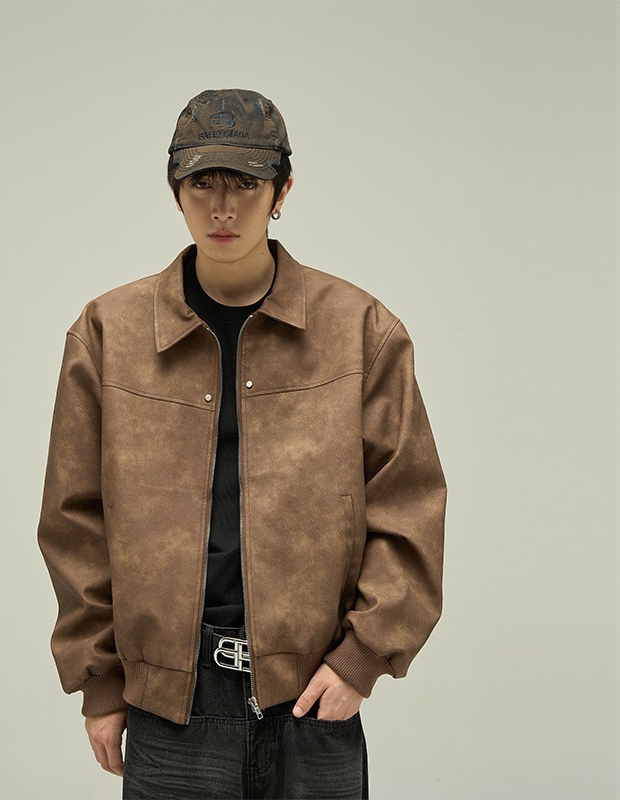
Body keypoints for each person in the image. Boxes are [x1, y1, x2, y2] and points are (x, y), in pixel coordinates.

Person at [37, 88, 446, 799]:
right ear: (175, 190)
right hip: (169, 710)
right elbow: (75, 521)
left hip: (313, 702)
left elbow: (409, 506)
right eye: (203, 183)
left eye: (246, 184)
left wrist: (361, 659)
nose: (223, 209)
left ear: (282, 191)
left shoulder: (361, 331)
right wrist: (100, 681)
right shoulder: (108, 334)